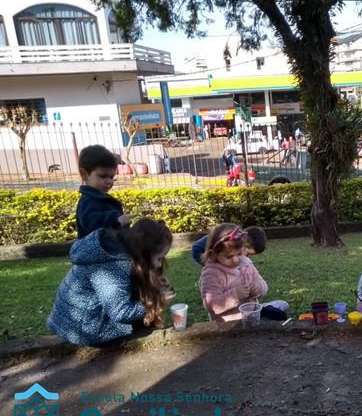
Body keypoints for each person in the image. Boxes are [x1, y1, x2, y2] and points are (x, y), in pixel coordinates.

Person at [48, 218, 174, 346]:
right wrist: (157, 302)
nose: (160, 264)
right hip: (82, 328)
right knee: (141, 320)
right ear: (144, 253)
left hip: (71, 320)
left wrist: (153, 281)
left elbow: (124, 284)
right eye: (159, 258)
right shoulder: (114, 264)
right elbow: (120, 312)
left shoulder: (119, 246)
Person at [199, 224, 286, 322]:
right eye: (229, 256)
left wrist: (258, 288)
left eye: (239, 253)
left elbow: (263, 284)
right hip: (230, 323)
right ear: (213, 254)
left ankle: (271, 307)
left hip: (252, 314)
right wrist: (235, 295)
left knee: (279, 315)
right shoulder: (212, 274)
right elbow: (212, 305)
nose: (236, 260)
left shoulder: (245, 263)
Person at [76, 145, 131, 239]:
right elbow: (90, 222)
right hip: (94, 247)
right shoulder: (88, 201)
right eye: (103, 176)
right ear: (84, 174)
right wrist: (115, 218)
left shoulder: (103, 199)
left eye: (111, 177)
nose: (109, 181)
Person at [192, 226, 266, 265]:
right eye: (248, 254)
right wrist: (208, 262)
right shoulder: (226, 236)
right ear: (245, 244)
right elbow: (196, 247)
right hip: (201, 251)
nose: (247, 256)